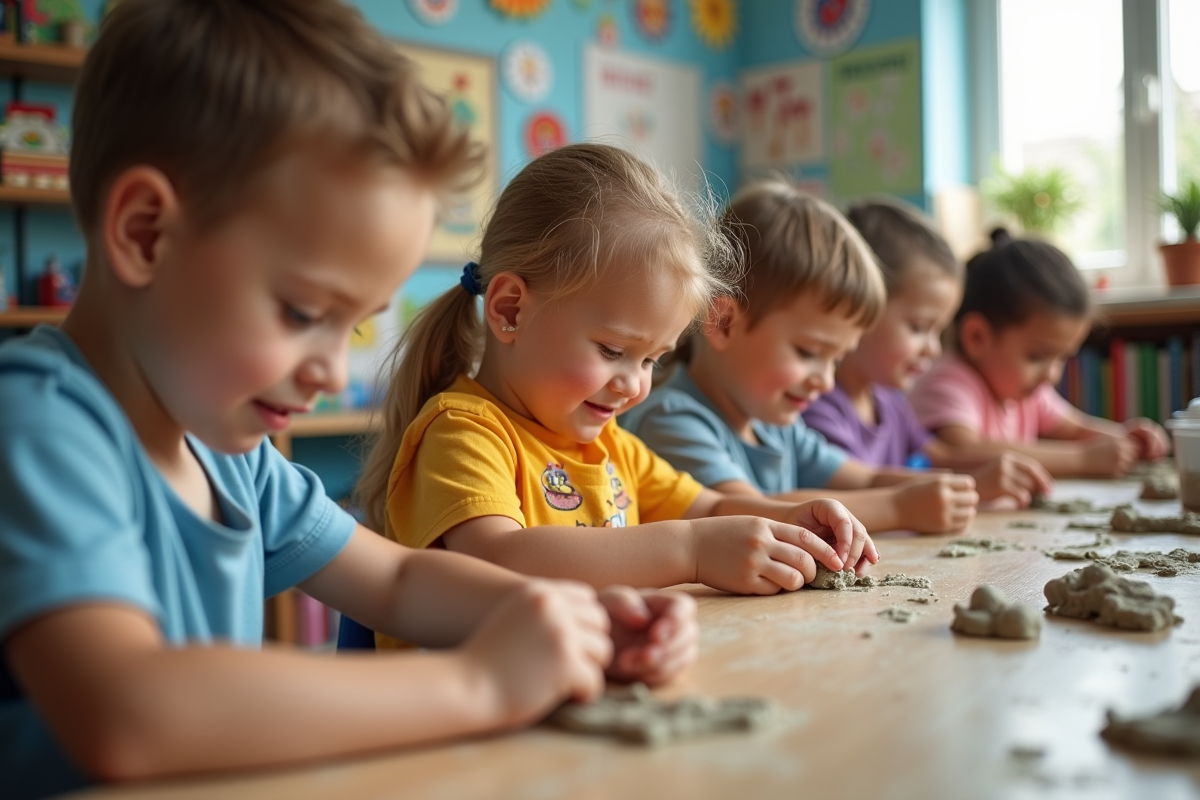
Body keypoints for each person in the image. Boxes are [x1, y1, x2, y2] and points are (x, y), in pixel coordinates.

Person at [0, 4, 698, 798]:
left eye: (355, 326)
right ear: (148, 233)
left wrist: (584, 619)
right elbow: (125, 712)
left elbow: (398, 583)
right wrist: (481, 686)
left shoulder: (233, 458)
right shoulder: (39, 427)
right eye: (303, 314)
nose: (332, 373)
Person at [357, 144, 878, 642]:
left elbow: (709, 507)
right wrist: (691, 550)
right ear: (511, 310)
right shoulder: (462, 430)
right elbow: (498, 559)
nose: (634, 385)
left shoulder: (611, 447)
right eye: (612, 351)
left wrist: (789, 521)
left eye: (652, 359)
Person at [622, 179, 979, 535]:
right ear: (724, 323)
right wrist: (900, 508)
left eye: (836, 360)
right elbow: (749, 518)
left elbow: (863, 478)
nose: (825, 381)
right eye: (808, 353)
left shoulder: (776, 426)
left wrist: (950, 488)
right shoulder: (671, 420)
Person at [802, 199, 1054, 507]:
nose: (933, 350)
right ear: (858, 309)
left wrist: (997, 471)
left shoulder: (889, 401)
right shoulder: (816, 406)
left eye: (939, 332)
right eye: (919, 327)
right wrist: (975, 486)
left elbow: (943, 456)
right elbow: (857, 495)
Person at [909, 229, 1168, 476]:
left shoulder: (1026, 391)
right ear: (977, 337)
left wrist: (1125, 439)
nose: (1052, 375)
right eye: (1037, 357)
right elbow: (960, 450)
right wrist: (1083, 459)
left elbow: (1074, 428)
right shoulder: (947, 383)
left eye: (1062, 358)